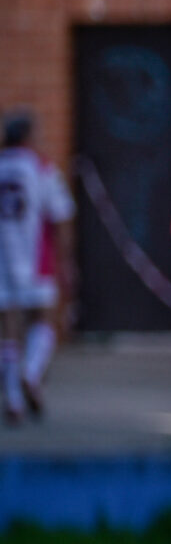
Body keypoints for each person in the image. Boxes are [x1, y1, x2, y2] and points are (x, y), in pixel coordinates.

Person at [0, 110, 74, 424]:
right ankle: (31, 373)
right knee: (44, 318)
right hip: (36, 256)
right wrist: (67, 261)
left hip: (2, 256)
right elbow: (60, 216)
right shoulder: (42, 168)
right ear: (29, 136)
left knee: (8, 328)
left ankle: (14, 398)